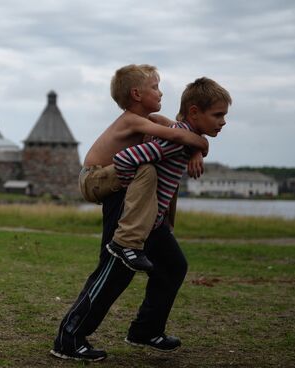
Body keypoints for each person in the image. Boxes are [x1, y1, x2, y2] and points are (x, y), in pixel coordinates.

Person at [50, 77, 232, 362]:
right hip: (129, 213)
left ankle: (145, 330)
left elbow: (174, 170)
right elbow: (127, 158)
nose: (223, 122)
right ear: (195, 112)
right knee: (114, 274)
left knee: (172, 266)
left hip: (152, 220)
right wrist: (125, 186)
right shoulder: (173, 140)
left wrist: (198, 148)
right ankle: (69, 338)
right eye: (218, 115)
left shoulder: (181, 138)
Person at [80, 64, 207, 273]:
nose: (161, 92)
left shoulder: (149, 120)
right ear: (137, 94)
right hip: (94, 178)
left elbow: (184, 132)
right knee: (148, 169)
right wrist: (203, 146)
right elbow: (178, 136)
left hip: (110, 175)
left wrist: (195, 151)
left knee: (160, 166)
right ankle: (125, 243)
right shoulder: (131, 120)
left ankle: (163, 225)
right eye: (155, 87)